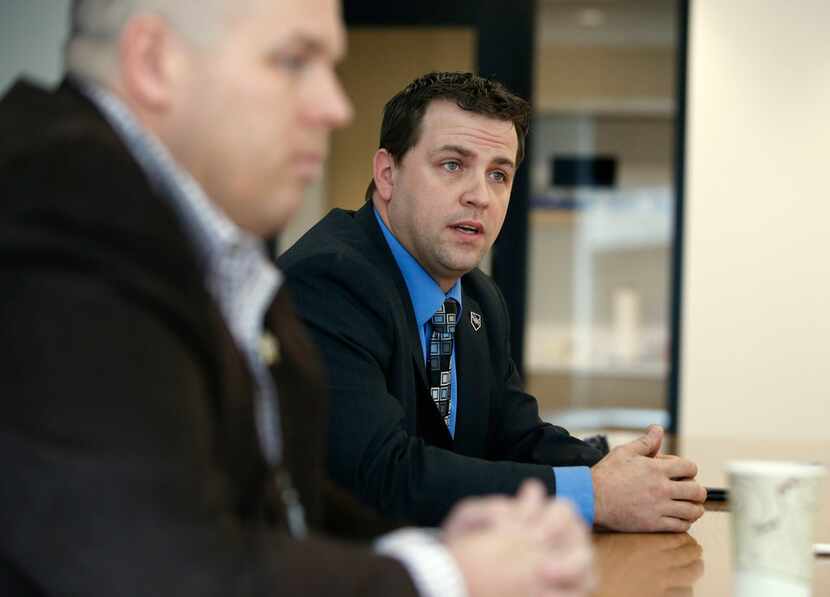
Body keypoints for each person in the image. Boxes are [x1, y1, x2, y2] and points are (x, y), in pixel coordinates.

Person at [0, 2, 595, 597]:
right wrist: (447, 574)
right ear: (154, 62)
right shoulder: (52, 220)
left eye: (500, 174)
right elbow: (153, 564)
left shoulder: (199, 242)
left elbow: (275, 503)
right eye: (293, 61)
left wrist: (438, 543)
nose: (334, 108)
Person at [278, 71, 707, 531]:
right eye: (452, 165)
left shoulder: (479, 296)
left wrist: (621, 470)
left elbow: (515, 437)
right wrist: (593, 495)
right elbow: (382, 476)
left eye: (498, 174)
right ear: (387, 174)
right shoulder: (328, 280)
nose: (479, 196)